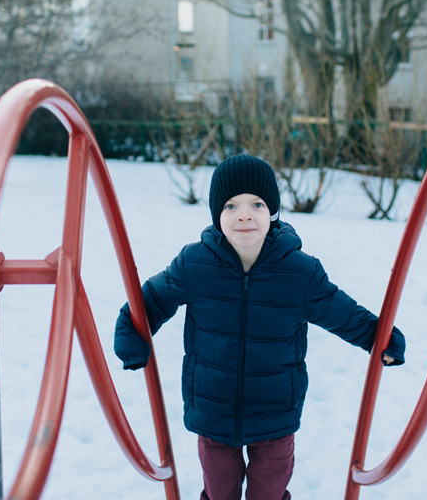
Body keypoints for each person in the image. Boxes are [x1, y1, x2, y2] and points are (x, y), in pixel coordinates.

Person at [114, 154, 406, 500]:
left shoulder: (299, 272)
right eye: (231, 206)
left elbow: (342, 313)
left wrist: (382, 339)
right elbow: (148, 302)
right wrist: (131, 341)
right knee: (219, 490)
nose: (244, 215)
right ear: (216, 214)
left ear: (273, 212)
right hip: (214, 410)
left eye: (257, 203)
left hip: (275, 412)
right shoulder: (194, 264)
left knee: (268, 490)